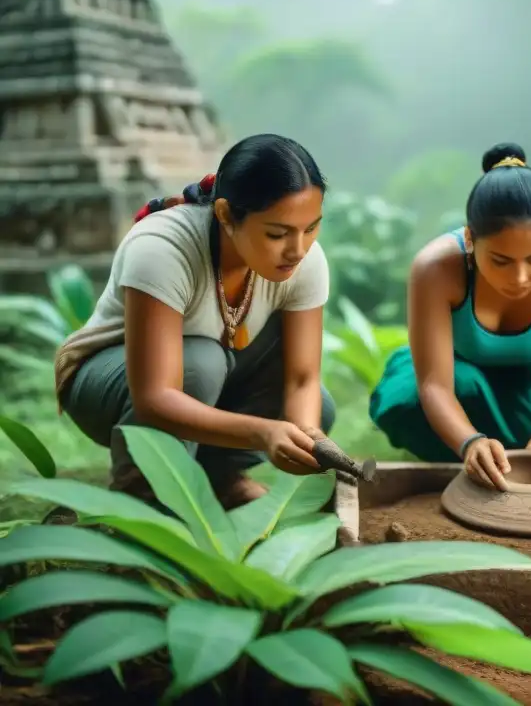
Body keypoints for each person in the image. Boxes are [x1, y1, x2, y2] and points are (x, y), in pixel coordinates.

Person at [54, 133, 337, 510]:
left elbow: (302, 377)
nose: (298, 249)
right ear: (224, 215)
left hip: (205, 380)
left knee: (318, 404)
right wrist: (263, 432)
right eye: (276, 233)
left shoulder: (305, 261)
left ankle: (219, 480)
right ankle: (141, 497)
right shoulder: (163, 248)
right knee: (201, 363)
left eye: (311, 228)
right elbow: (155, 397)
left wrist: (306, 436)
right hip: (109, 384)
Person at [369, 143, 531, 490]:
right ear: (469, 238)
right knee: (409, 405)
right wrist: (469, 442)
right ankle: (457, 471)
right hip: (451, 371)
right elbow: (435, 385)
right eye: (501, 261)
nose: (521, 277)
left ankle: (500, 460)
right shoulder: (434, 268)